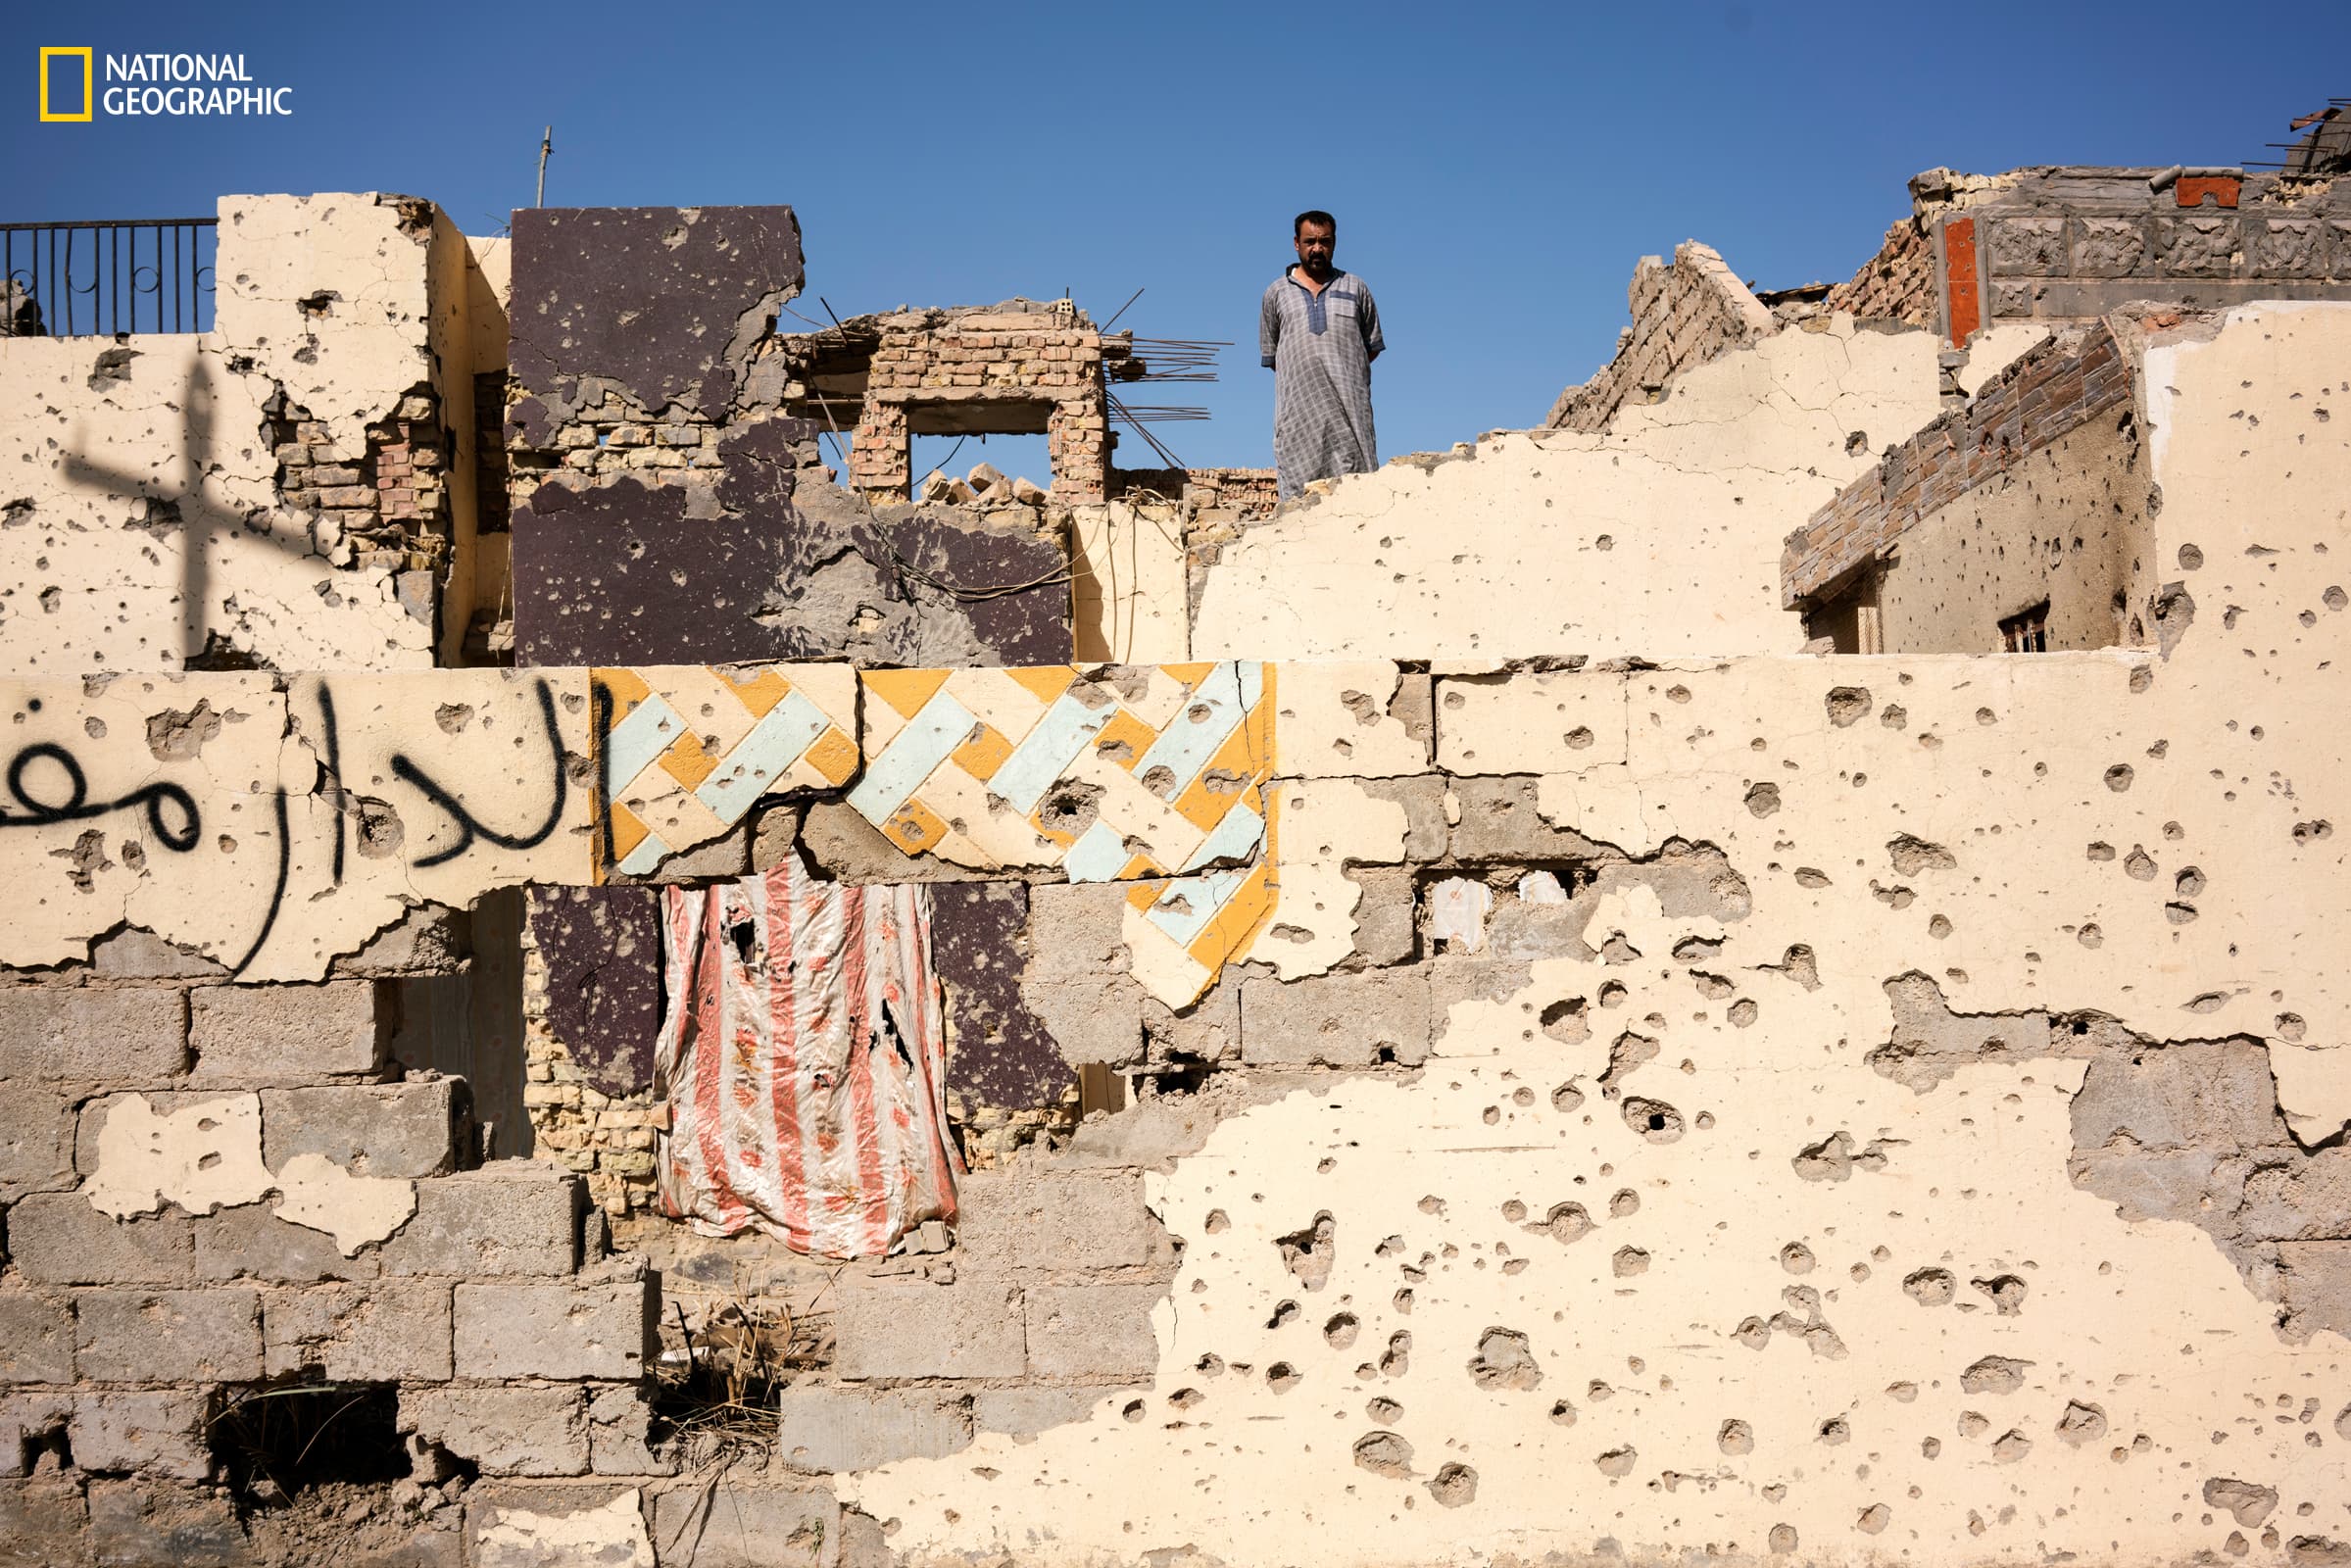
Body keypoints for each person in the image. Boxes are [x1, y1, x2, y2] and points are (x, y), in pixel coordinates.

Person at [1260, 210, 1384, 500]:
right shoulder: (1276, 294)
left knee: (1356, 500)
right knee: (1298, 506)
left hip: (1350, 420)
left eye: (1324, 241)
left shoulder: (1356, 288)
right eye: (1310, 241)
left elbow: (1370, 349)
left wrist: (1341, 370)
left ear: (1334, 243)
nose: (1317, 248)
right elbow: (1275, 357)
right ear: (1296, 244)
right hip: (1298, 423)